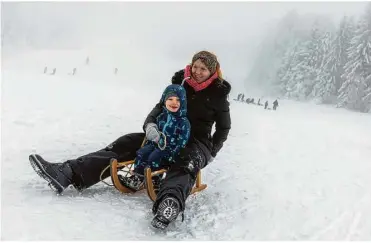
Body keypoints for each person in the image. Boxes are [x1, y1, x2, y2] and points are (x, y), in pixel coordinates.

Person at [28, 50, 232, 229]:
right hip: (165, 133)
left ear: (211, 73)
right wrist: (151, 126)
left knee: (185, 162)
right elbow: (159, 108)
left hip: (196, 142)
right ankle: (67, 173)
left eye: (203, 69)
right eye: (195, 66)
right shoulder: (179, 85)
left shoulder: (217, 95)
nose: (197, 71)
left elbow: (224, 128)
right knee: (127, 143)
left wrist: (211, 151)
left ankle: (169, 203)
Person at [121, 84, 191, 191]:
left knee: (154, 156)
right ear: (164, 100)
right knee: (142, 152)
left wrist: (174, 152)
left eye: (178, 100)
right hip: (157, 145)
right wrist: (152, 138)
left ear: (183, 102)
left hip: (171, 150)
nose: (174, 103)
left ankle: (155, 179)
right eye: (170, 99)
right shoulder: (161, 117)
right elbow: (156, 132)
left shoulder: (183, 123)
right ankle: (137, 177)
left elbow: (182, 141)